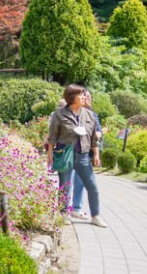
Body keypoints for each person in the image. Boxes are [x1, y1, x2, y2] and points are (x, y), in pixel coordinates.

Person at [46, 84, 107, 228]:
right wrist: (50, 155)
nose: (85, 97)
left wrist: (96, 154)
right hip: (65, 153)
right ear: (72, 97)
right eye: (81, 95)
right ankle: (63, 214)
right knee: (65, 186)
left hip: (83, 155)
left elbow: (93, 138)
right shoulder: (59, 114)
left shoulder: (89, 115)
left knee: (92, 186)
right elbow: (52, 136)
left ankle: (95, 216)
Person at [69, 89, 102, 220]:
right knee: (67, 182)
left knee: (82, 182)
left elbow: (97, 133)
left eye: (89, 97)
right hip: (70, 152)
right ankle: (64, 210)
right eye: (84, 96)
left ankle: (76, 208)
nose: (87, 99)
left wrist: (96, 154)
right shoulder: (70, 112)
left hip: (85, 153)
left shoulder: (93, 115)